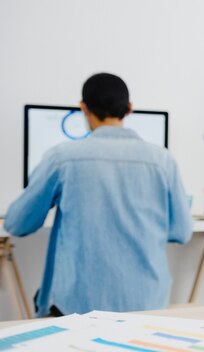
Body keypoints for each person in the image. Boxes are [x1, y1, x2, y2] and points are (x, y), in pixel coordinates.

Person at [4, 73, 192, 317]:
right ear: (130, 109)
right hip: (147, 304)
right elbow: (182, 232)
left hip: (77, 308)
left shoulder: (62, 158)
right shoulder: (163, 161)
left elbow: (17, 224)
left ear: (83, 108)